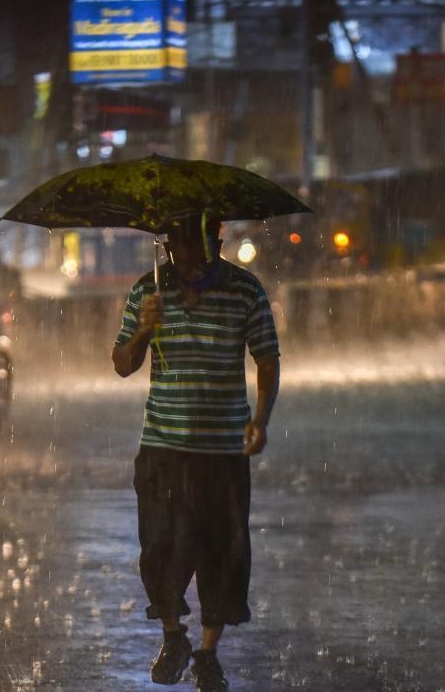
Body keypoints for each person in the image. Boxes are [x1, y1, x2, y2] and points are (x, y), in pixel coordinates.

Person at [111, 215, 281, 692]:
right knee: (161, 548)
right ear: (165, 246)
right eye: (177, 249)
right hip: (163, 447)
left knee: (222, 552)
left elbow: (267, 358)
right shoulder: (149, 290)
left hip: (223, 450)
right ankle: (173, 636)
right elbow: (123, 364)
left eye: (196, 249)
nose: (185, 260)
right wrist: (145, 330)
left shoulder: (245, 290)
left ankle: (207, 652)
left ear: (216, 242)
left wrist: (260, 419)